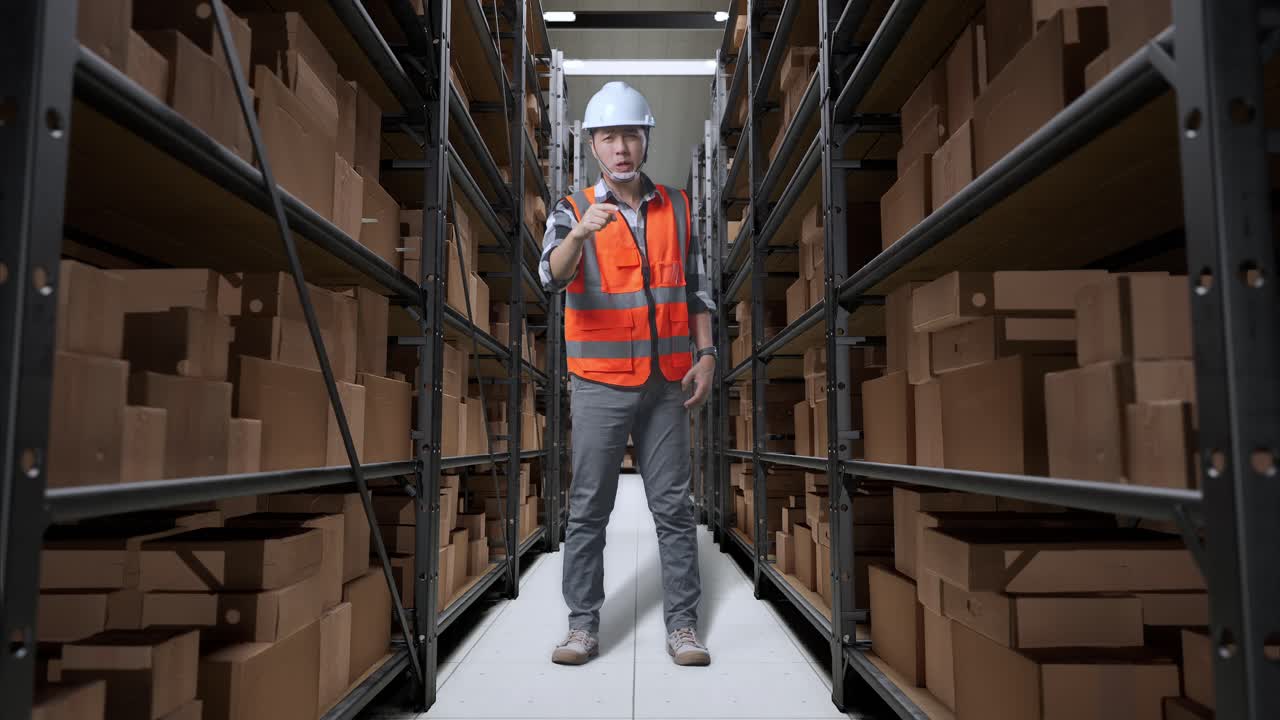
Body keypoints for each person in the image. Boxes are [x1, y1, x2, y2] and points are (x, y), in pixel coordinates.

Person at [539, 81, 717, 667]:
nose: (621, 148)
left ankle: (684, 627)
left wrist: (707, 354)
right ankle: (582, 627)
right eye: (609, 137)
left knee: (673, 507)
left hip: (667, 381)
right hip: (599, 381)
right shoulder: (571, 208)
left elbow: (696, 289)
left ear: (645, 141)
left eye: (631, 136)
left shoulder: (680, 206)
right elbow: (553, 277)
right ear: (593, 145)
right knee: (590, 507)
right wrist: (582, 233)